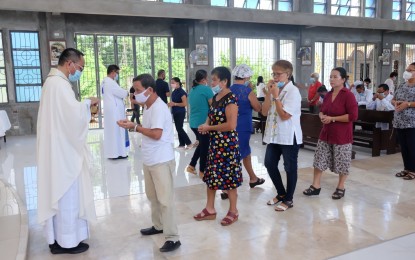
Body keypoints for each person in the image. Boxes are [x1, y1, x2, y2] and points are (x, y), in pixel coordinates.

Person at [37, 48, 97, 255]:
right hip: (64, 152)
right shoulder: (59, 85)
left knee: (57, 191)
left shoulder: (51, 83)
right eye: (80, 67)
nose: (79, 71)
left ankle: (55, 239)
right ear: (69, 63)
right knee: (67, 194)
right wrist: (88, 103)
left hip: (56, 148)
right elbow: (73, 116)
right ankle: (68, 242)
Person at [117, 74, 181, 252]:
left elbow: (156, 134)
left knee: (165, 200)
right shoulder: (148, 106)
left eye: (138, 90)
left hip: (161, 160)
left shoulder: (159, 108)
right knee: (153, 197)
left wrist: (134, 127)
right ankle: (158, 225)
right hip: (150, 159)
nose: (135, 94)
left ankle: (173, 237)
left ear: (150, 90)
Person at [193, 66, 242, 226]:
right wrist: (205, 125)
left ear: (224, 81)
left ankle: (233, 211)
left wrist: (210, 128)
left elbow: (231, 125)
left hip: (227, 145)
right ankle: (210, 209)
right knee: (211, 176)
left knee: (229, 179)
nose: (211, 82)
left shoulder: (231, 99)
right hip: (215, 144)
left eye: (214, 80)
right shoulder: (215, 97)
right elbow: (210, 115)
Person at [303, 67, 358, 200]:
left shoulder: (348, 95)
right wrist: (322, 115)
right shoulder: (327, 94)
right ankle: (315, 186)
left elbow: (353, 116)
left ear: (343, 79)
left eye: (335, 77)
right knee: (319, 159)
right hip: (326, 132)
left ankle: (340, 187)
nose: (331, 79)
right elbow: (322, 109)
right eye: (330, 76)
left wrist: (333, 118)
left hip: (341, 134)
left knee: (342, 161)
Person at [261, 60, 302, 211]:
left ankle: (289, 199)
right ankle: (281, 193)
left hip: (289, 135)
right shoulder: (273, 90)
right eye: (274, 73)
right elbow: (264, 112)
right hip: (274, 135)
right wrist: (268, 93)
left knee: (290, 167)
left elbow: (285, 115)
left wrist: (276, 97)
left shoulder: (293, 92)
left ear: (288, 74)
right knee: (269, 163)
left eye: (279, 74)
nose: (276, 77)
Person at [230, 64, 265, 191]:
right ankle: (227, 187)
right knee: (239, 153)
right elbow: (258, 108)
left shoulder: (228, 89)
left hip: (230, 126)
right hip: (243, 126)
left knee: (245, 153)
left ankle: (253, 178)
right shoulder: (247, 91)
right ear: (245, 78)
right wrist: (253, 93)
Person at [186, 70, 213, 177]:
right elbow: (213, 106)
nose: (208, 81)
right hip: (203, 124)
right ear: (203, 79)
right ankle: (203, 171)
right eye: (207, 78)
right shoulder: (206, 90)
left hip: (193, 123)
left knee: (202, 144)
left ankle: (191, 166)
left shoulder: (192, 90)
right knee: (205, 148)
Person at [392, 62, 415, 180]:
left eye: (410, 70)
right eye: (407, 69)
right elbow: (393, 99)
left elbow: (409, 103)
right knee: (404, 146)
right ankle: (407, 168)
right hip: (399, 121)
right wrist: (395, 102)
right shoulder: (402, 85)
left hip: (412, 122)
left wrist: (408, 104)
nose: (407, 72)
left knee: (412, 146)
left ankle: (413, 170)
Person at [101, 64, 129, 159]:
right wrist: (127, 92)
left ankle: (113, 153)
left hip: (110, 111)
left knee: (112, 132)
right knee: (118, 131)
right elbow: (122, 93)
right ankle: (118, 153)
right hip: (115, 112)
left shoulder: (104, 82)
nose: (117, 75)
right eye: (117, 73)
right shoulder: (110, 82)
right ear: (113, 72)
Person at [168, 77, 193, 149]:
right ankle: (181, 144)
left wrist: (175, 104)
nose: (171, 84)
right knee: (178, 128)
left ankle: (189, 143)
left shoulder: (182, 92)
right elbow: (174, 102)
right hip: (175, 111)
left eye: (173, 82)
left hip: (180, 112)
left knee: (179, 128)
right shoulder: (174, 92)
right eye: (171, 83)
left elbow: (184, 104)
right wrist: (170, 104)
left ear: (178, 83)